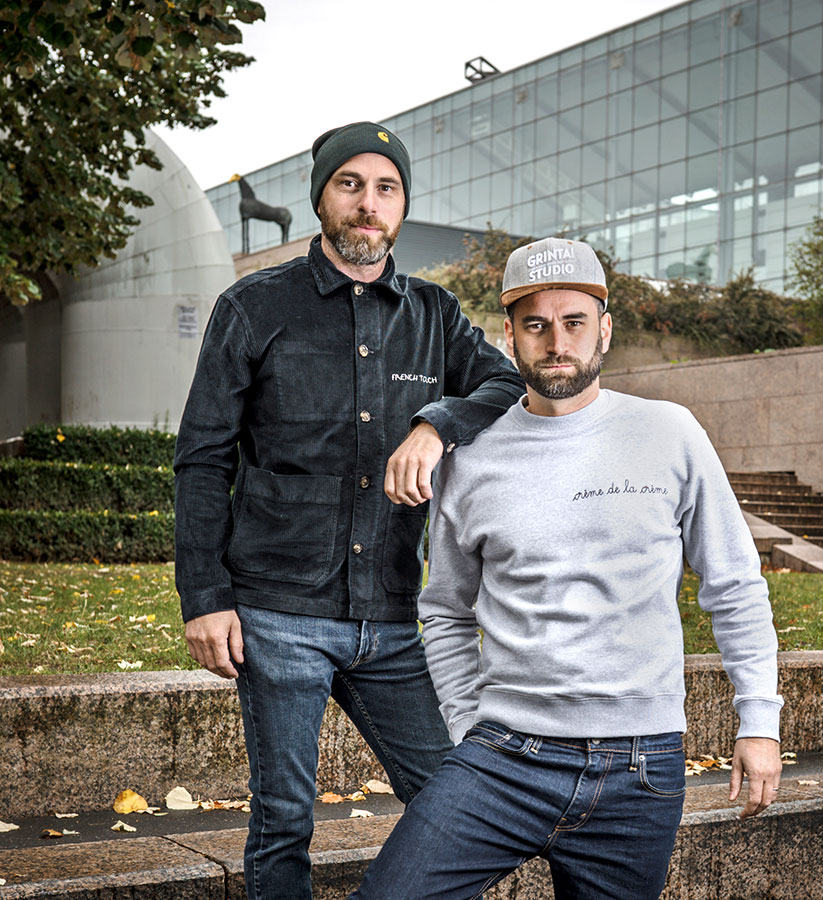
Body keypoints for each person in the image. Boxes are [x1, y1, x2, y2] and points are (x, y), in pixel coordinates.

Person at [349, 237, 784, 900]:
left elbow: (734, 585)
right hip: (501, 760)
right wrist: (467, 724)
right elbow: (445, 608)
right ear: (511, 336)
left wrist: (758, 721)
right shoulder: (471, 458)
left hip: (641, 768)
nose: (557, 340)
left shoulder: (670, 432)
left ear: (604, 330)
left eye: (574, 321)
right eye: (537, 324)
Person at [173, 121, 524, 900]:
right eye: (351, 185)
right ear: (322, 198)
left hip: (395, 618)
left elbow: (506, 383)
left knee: (452, 801)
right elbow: (203, 459)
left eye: (386, 188)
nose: (369, 205)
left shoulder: (434, 315)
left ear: (402, 205)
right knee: (284, 817)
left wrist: (436, 424)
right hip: (275, 612)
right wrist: (206, 598)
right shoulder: (252, 307)